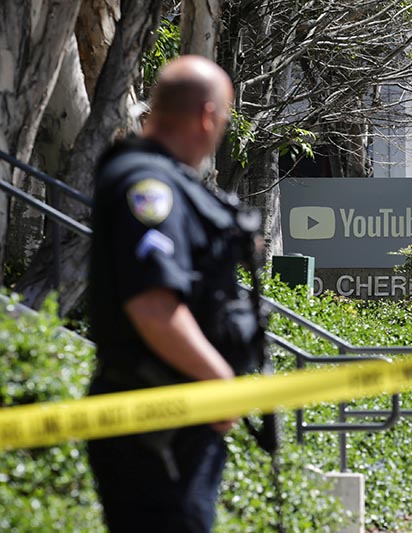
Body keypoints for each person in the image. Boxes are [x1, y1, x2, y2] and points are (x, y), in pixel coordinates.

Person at [87, 55, 261, 532]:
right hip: (155, 420)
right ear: (207, 116)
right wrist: (219, 381)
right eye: (224, 120)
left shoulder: (164, 179)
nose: (220, 130)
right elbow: (153, 305)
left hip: (171, 417)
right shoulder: (148, 186)